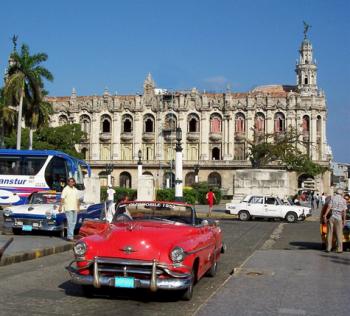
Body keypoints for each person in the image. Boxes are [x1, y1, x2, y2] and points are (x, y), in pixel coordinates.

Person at [323, 188, 347, 253]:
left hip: (332, 216)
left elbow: (329, 207)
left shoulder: (332, 198)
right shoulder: (343, 200)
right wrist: (344, 220)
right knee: (339, 234)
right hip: (339, 218)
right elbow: (344, 212)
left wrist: (325, 215)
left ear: (336, 193)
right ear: (341, 193)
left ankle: (328, 248)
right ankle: (339, 249)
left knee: (329, 233)